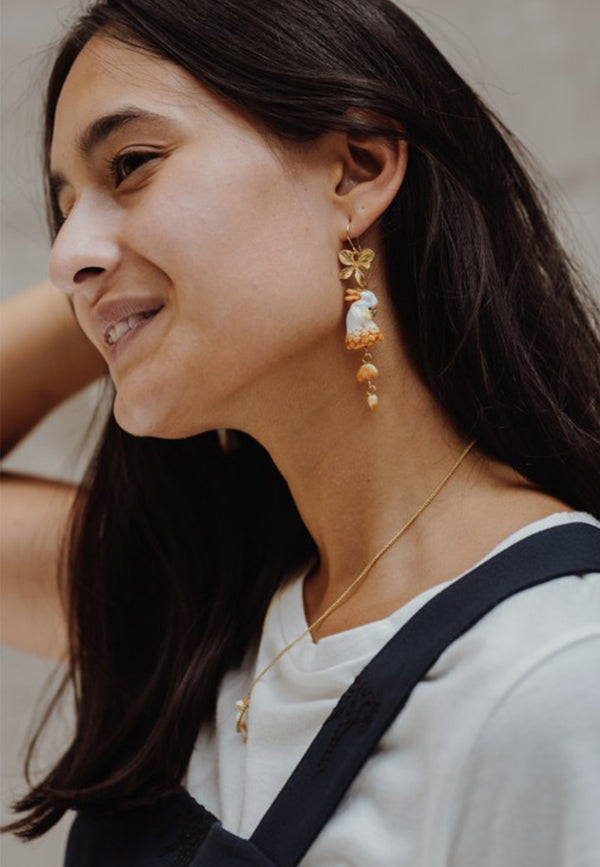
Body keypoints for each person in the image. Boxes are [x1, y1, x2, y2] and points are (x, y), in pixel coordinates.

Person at [1, 0, 599, 863]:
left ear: (356, 169)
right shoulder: (203, 607)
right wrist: (124, 292)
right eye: (66, 209)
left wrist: (143, 286)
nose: (65, 255)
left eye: (132, 163)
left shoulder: (553, 678)